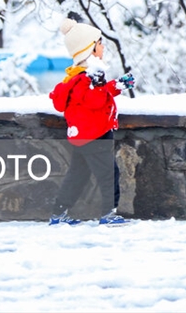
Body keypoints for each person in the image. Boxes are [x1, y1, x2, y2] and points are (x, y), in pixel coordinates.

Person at [49, 17, 135, 225]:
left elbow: (94, 96)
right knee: (108, 174)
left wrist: (117, 86)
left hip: (82, 134)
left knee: (78, 176)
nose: (103, 46)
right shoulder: (86, 79)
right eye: (99, 43)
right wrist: (99, 83)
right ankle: (108, 213)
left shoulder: (78, 78)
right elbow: (96, 101)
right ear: (90, 49)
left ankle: (58, 213)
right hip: (95, 134)